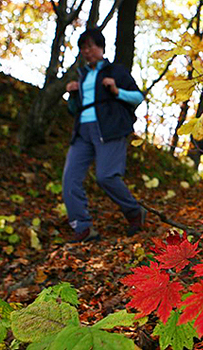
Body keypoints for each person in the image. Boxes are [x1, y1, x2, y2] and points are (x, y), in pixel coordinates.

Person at [63, 28, 147, 243]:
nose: (87, 51)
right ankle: (82, 227)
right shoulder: (82, 77)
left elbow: (138, 97)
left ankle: (134, 211)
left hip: (110, 128)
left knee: (106, 176)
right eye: (83, 48)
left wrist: (117, 91)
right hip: (82, 131)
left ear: (101, 47)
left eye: (91, 46)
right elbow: (74, 110)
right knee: (70, 179)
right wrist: (72, 94)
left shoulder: (116, 71)